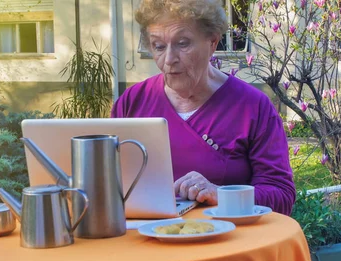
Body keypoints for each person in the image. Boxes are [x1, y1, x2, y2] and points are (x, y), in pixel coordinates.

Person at [111, 0, 296, 215]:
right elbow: (109, 184)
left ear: (213, 42)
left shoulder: (253, 106)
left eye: (183, 43)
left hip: (227, 241)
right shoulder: (132, 101)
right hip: (147, 240)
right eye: (159, 46)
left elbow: (282, 196)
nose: (169, 59)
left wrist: (221, 194)